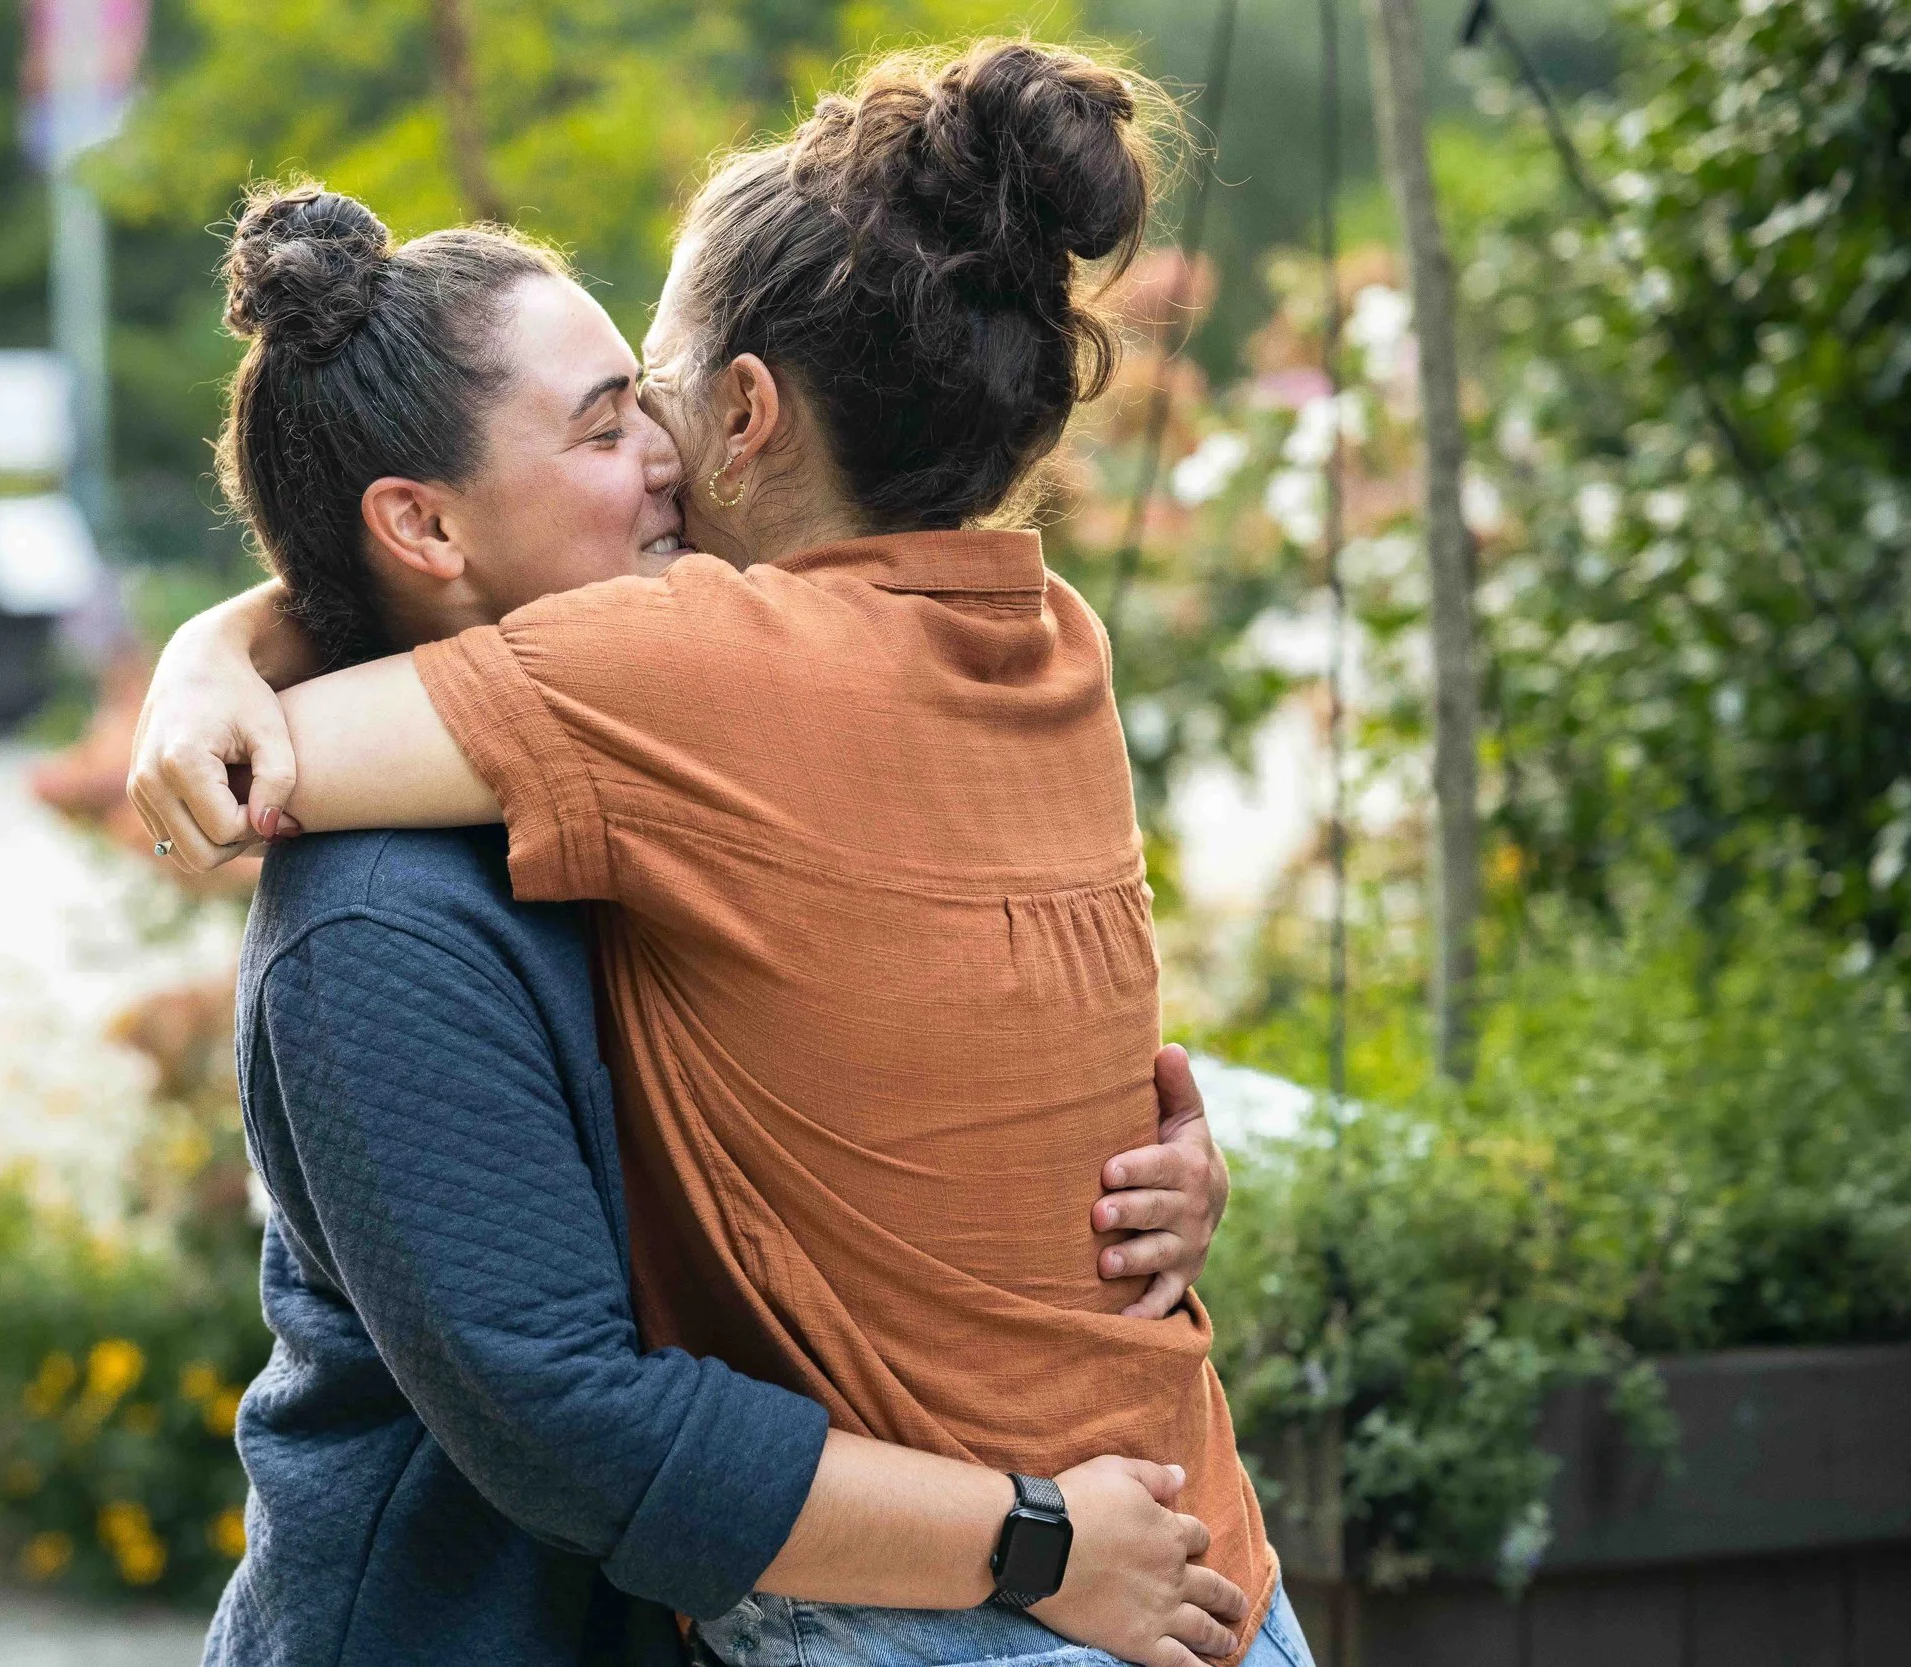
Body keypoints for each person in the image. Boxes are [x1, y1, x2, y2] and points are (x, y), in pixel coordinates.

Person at [140, 38, 1311, 1667]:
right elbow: (572, 1413)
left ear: (758, 415)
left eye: (653, 394)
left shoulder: (698, 688)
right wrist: (1033, 1523)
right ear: (423, 522)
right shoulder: (388, 905)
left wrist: (220, 654)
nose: (665, 460)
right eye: (608, 421)